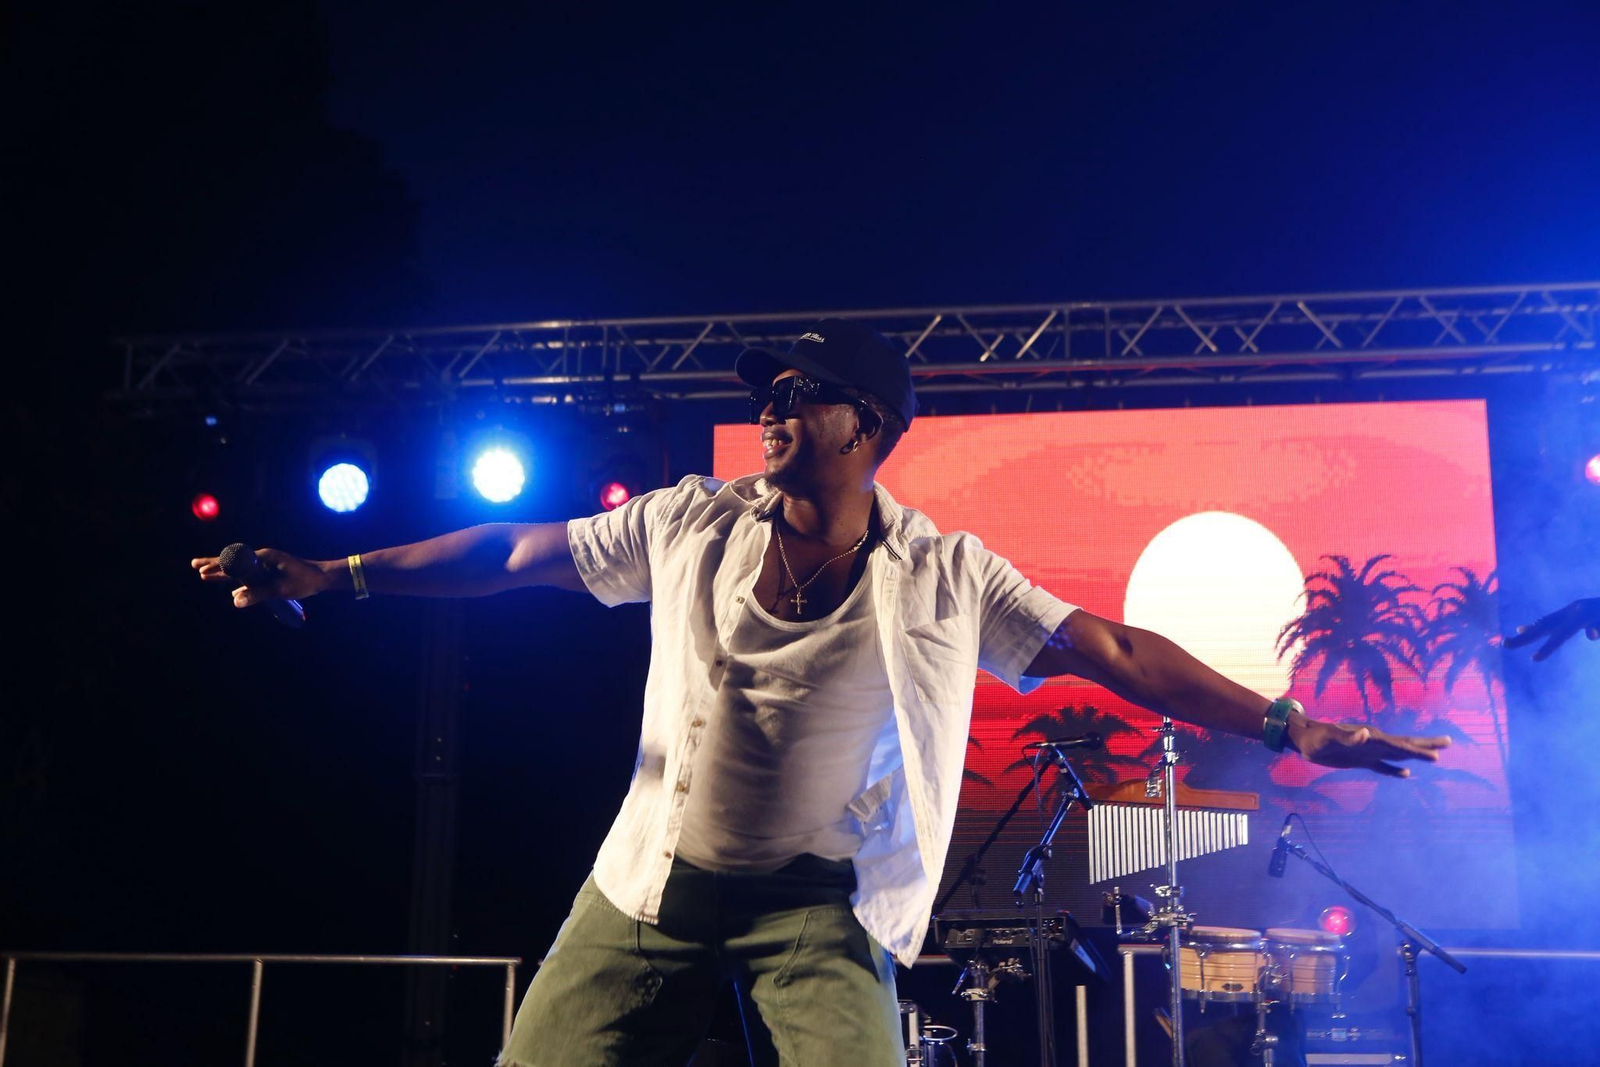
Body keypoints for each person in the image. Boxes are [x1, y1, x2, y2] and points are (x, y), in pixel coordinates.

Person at [192, 319, 1449, 1067]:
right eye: (768, 394)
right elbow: (511, 552)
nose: (773, 406)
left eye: (803, 393)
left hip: (818, 915)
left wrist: (1290, 723)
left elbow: (1117, 652)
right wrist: (339, 571)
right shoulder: (691, 523)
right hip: (650, 889)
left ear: (870, 426)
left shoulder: (950, 575)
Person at [1504, 597, 1600, 661]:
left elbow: (1592, 631)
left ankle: (1535, 630)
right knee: (1560, 632)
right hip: (1584, 610)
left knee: (1553, 625)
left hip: (1583, 607)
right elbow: (1592, 632)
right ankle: (1537, 633)